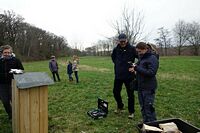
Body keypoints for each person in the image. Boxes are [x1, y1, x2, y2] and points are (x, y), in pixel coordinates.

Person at [129, 42, 159, 123]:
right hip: (141, 86)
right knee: (143, 107)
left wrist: (137, 68)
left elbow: (151, 72)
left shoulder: (152, 58)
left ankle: (153, 125)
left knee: (148, 107)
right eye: (137, 52)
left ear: (146, 49)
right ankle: (146, 122)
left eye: (140, 51)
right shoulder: (142, 57)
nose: (138, 53)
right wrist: (134, 68)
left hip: (148, 87)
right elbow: (139, 67)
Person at [111, 33, 137, 119]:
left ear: (127, 40)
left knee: (130, 94)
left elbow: (140, 58)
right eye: (121, 41)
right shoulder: (116, 49)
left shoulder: (132, 49)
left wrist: (135, 66)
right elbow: (113, 58)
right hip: (118, 75)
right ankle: (120, 106)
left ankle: (131, 111)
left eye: (124, 41)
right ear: (118, 41)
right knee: (115, 92)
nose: (122, 43)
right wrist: (119, 65)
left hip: (129, 76)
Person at [0, 45, 24, 120]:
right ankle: (11, 116)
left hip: (13, 84)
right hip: (2, 85)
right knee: (5, 102)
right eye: (5, 52)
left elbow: (22, 70)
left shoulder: (16, 60)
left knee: (14, 101)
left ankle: (18, 115)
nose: (7, 54)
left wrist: (16, 71)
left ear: (11, 52)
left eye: (8, 52)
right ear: (1, 53)